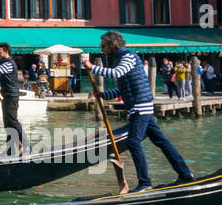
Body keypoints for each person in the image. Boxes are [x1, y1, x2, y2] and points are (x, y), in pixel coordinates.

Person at [82, 31, 194, 191]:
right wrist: (104, 95)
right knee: (161, 141)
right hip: (140, 107)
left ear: (112, 45)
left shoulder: (128, 57)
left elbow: (116, 73)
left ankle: (145, 183)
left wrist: (93, 68)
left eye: (103, 46)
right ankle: (185, 174)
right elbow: (123, 88)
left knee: (133, 141)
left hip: (140, 106)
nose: (102, 50)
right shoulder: (120, 59)